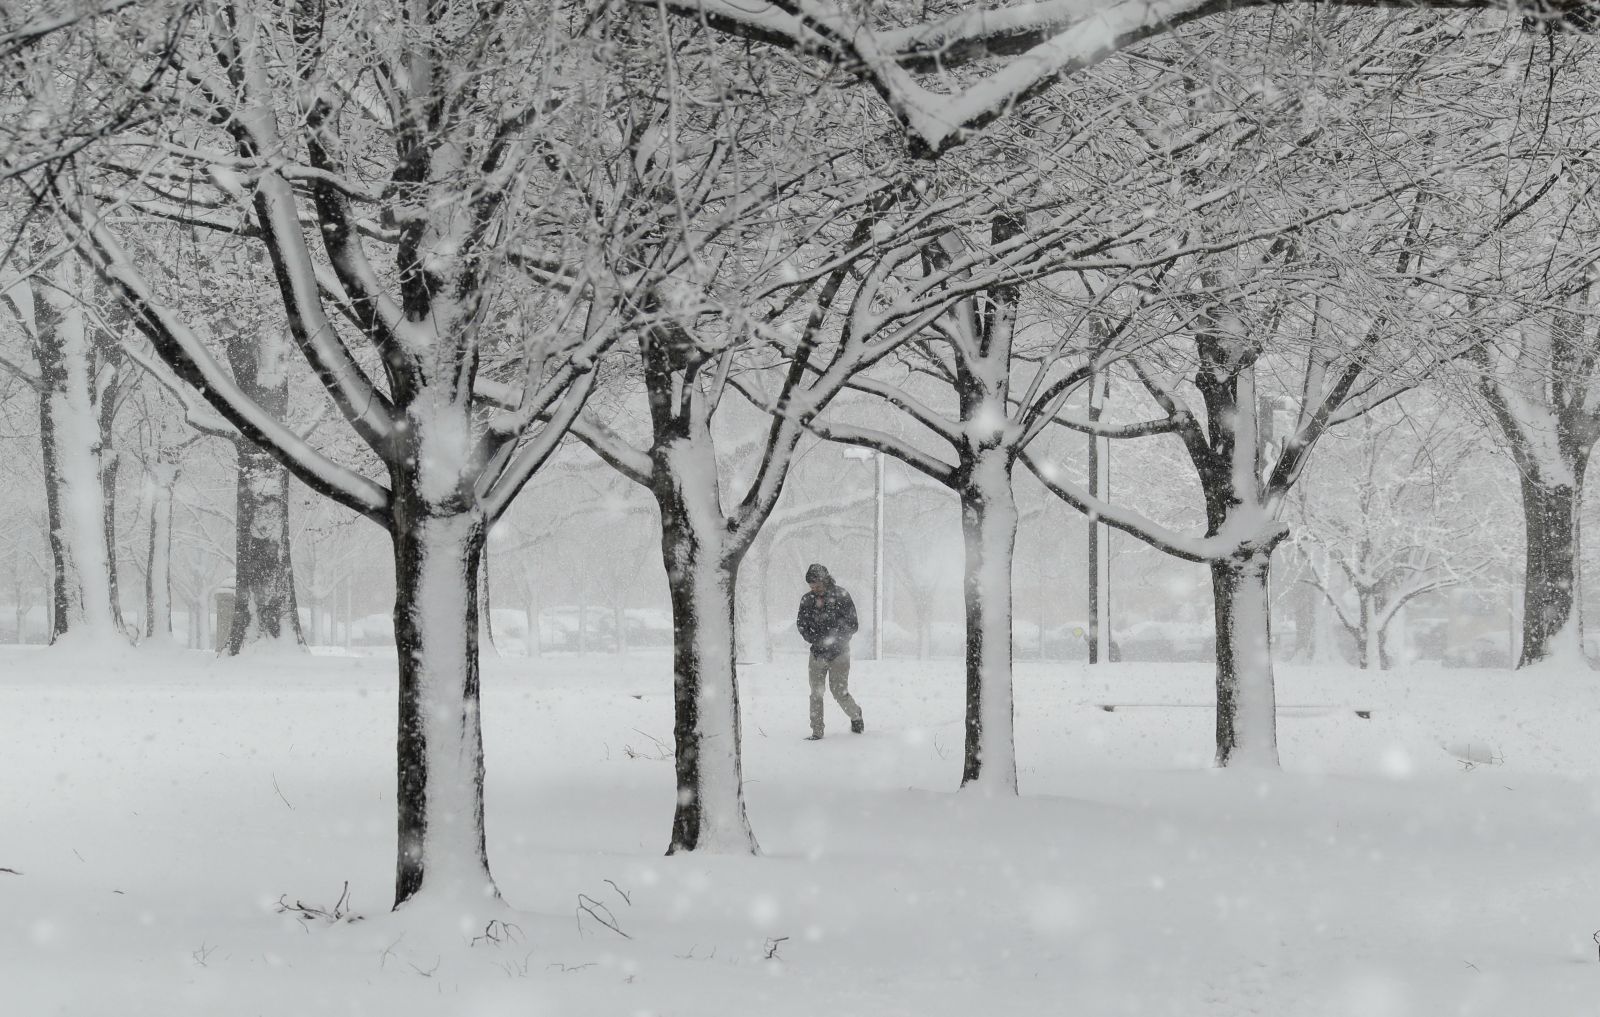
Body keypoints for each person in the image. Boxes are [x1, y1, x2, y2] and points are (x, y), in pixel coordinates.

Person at [795, 563, 863, 739]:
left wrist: (835, 639)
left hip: (839, 654)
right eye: (811, 586)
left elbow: (853, 624)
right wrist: (814, 638)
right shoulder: (807, 600)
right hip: (817, 654)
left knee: (838, 692)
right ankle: (817, 731)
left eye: (817, 585)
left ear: (825, 580)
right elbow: (801, 625)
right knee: (816, 694)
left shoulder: (841, 595)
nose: (814, 589)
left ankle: (855, 714)